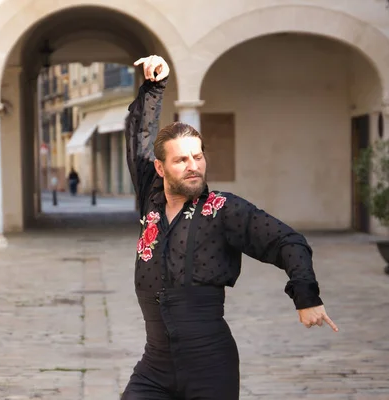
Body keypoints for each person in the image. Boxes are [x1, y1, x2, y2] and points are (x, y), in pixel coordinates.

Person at [121, 55, 338, 400]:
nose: (193, 166)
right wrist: (154, 88)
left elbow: (287, 240)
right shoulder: (151, 197)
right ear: (161, 169)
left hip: (210, 367)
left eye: (198, 156)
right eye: (181, 160)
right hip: (155, 367)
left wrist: (306, 296)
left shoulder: (223, 209)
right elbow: (138, 140)